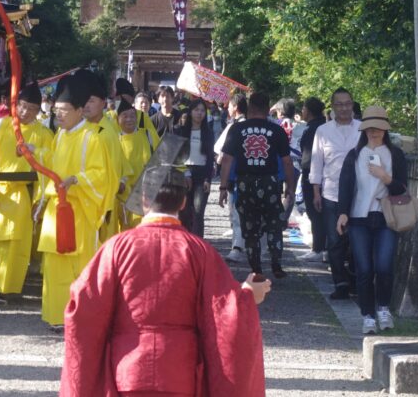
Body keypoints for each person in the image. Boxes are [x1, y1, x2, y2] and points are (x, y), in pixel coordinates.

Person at [60, 166, 270, 397]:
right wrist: (247, 295)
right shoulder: (199, 251)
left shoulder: (116, 248)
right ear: (183, 202)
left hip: (128, 370)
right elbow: (224, 312)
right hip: (179, 371)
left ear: (144, 198)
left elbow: (84, 307)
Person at [0, 81, 53, 301]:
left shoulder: (43, 134)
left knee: (13, 243)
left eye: (32, 109)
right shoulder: (0, 126)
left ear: (38, 110)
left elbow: (52, 162)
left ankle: (5, 289)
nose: (25, 112)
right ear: (16, 105)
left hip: (17, 195)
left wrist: (34, 152)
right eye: (22, 106)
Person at [38, 74, 110, 329]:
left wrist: (76, 180)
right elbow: (51, 164)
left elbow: (100, 175)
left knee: (77, 266)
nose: (59, 116)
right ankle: (56, 316)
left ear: (79, 111)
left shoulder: (93, 137)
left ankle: (78, 318)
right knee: (54, 265)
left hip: (79, 211)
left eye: (64, 111)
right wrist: (34, 153)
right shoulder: (60, 135)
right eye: (56, 111)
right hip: (55, 211)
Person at [336, 106, 406, 335]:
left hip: (386, 216)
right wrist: (343, 212)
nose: (373, 133)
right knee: (364, 269)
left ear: (385, 130)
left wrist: (384, 176)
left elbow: (402, 188)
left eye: (378, 129)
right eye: (369, 129)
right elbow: (345, 186)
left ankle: (383, 308)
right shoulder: (355, 155)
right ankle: (367, 315)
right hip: (359, 218)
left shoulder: (395, 154)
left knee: (385, 266)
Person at [219, 92, 295, 279]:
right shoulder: (276, 130)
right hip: (269, 182)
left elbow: (227, 160)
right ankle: (276, 263)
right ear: (267, 107)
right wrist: (290, 188)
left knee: (250, 226)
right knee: (273, 223)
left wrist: (222, 187)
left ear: (250, 107)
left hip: (245, 182)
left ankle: (256, 268)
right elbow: (287, 162)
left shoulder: (237, 129)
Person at [309, 87, 361, 299]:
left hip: (360, 193)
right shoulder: (323, 131)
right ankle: (340, 283)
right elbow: (316, 162)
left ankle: (358, 282)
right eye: (339, 104)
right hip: (331, 192)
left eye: (347, 103)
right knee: (335, 241)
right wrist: (316, 191)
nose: (343, 108)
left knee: (358, 240)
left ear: (353, 104)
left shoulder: (363, 129)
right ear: (332, 107)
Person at [72, 70, 126, 243]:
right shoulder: (80, 128)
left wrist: (105, 208)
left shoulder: (106, 133)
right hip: (80, 200)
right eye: (84, 100)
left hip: (100, 205)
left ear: (103, 103)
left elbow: (112, 174)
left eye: (91, 101)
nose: (86, 105)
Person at [174, 98, 215, 238]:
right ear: (190, 111)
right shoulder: (180, 131)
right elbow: (177, 156)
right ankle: (183, 241)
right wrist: (185, 173)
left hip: (201, 173)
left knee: (198, 212)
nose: (199, 113)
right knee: (183, 211)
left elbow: (210, 159)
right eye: (196, 110)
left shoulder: (208, 133)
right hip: (184, 172)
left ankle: (198, 244)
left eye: (202, 110)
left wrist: (208, 179)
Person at [215, 92, 248, 263]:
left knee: (236, 213)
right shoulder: (254, 125)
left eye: (229, 105)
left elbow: (221, 153)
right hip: (254, 175)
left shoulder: (234, 126)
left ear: (235, 107)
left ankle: (237, 247)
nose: (228, 108)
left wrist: (222, 183)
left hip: (235, 174)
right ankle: (248, 246)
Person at [297, 97, 327, 263]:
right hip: (324, 174)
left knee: (315, 211)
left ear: (308, 110)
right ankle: (323, 248)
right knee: (322, 213)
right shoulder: (324, 126)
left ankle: (318, 248)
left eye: (303, 108)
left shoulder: (314, 128)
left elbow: (309, 155)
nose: (302, 111)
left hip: (312, 173)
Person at [116, 100, 153, 230]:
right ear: (118, 119)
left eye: (132, 116)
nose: (129, 119)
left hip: (143, 193)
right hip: (122, 193)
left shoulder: (146, 135)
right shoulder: (114, 139)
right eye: (125, 116)